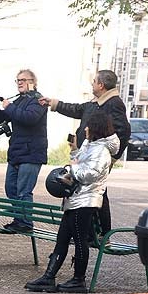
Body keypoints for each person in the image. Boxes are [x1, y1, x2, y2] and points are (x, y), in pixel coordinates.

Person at [25, 113, 118, 293]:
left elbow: (91, 174)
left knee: (80, 240)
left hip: (86, 200)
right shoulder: (90, 145)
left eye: (88, 126)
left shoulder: (102, 150)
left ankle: (78, 280)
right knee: (62, 239)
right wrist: (75, 150)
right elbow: (80, 162)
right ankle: (48, 277)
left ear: (96, 127)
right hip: (74, 197)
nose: (85, 129)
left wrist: (71, 169)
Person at [41, 69, 130, 235]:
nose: (92, 84)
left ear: (101, 85)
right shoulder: (96, 102)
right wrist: (53, 103)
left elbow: (124, 132)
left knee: (98, 193)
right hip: (85, 155)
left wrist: (112, 158)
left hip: (97, 158)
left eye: (94, 81)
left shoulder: (113, 104)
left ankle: (103, 233)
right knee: (86, 193)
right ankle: (89, 232)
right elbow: (76, 109)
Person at [0, 69, 48, 231]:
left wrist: (10, 107)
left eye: (23, 79)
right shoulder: (19, 101)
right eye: (17, 80)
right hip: (16, 153)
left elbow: (30, 118)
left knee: (24, 191)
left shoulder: (38, 100)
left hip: (32, 153)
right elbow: (2, 117)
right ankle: (19, 219)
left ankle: (25, 223)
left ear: (32, 82)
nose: (19, 82)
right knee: (11, 189)